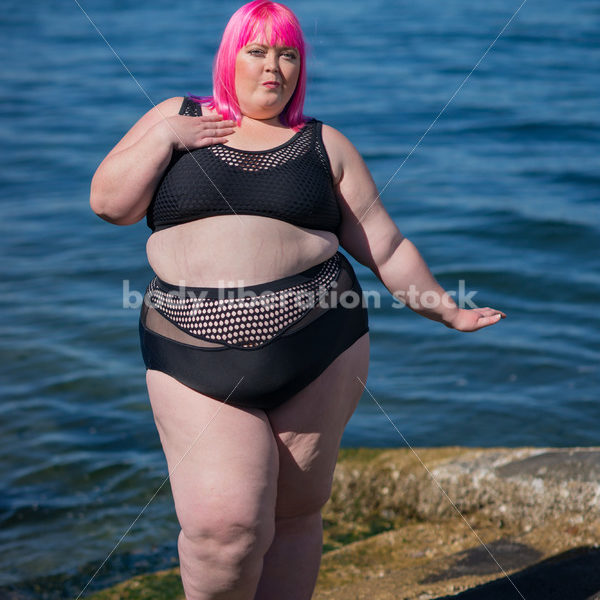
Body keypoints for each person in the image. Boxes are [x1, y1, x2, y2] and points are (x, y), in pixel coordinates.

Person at [89, 1, 506, 598]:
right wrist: (164, 137)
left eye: (288, 55)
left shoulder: (322, 143)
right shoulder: (177, 118)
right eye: (258, 51)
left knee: (293, 518)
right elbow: (110, 204)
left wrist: (448, 308)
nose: (273, 67)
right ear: (229, 57)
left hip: (318, 347)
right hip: (191, 349)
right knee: (221, 529)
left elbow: (384, 245)